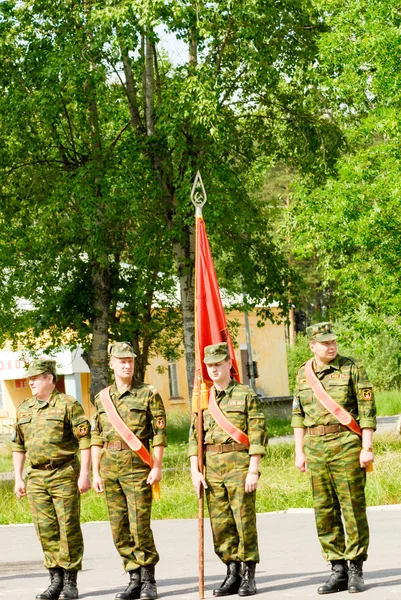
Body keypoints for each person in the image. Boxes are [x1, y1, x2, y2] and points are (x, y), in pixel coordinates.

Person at [292, 322, 377, 595]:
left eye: (333, 342)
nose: (331, 346)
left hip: (347, 444)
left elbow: (367, 411)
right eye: (325, 343)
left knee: (352, 507)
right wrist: (299, 450)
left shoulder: (351, 368)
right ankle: (337, 568)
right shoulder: (302, 375)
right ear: (312, 345)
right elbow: (298, 416)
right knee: (324, 511)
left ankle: (355, 568)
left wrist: (367, 447)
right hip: (316, 447)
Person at [189, 342, 267, 597]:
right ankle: (231, 572)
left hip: (238, 463)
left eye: (217, 364)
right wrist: (194, 469)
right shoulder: (203, 398)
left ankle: (248, 575)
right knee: (220, 523)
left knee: (243, 520)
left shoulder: (245, 395)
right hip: (211, 467)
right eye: (209, 365)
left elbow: (257, 433)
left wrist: (253, 468)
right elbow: (194, 437)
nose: (213, 369)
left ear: (228, 364)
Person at [91, 342, 167, 600]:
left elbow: (159, 434)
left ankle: (148, 579)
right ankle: (133, 575)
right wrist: (95, 472)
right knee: (119, 527)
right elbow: (95, 437)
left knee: (139, 525)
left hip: (137, 467)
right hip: (109, 467)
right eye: (121, 360)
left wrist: (156, 465)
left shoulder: (148, 393)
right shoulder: (101, 398)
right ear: (111, 363)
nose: (127, 364)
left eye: (130, 360)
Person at [12, 358, 91, 600]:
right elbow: (18, 445)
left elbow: (85, 440)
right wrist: (18, 477)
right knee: (45, 529)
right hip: (36, 476)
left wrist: (85, 473)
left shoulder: (68, 404)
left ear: (49, 378)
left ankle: (70, 582)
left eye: (35, 377)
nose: (30, 382)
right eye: (29, 378)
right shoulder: (24, 408)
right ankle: (55, 580)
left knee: (68, 527)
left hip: (64, 473)